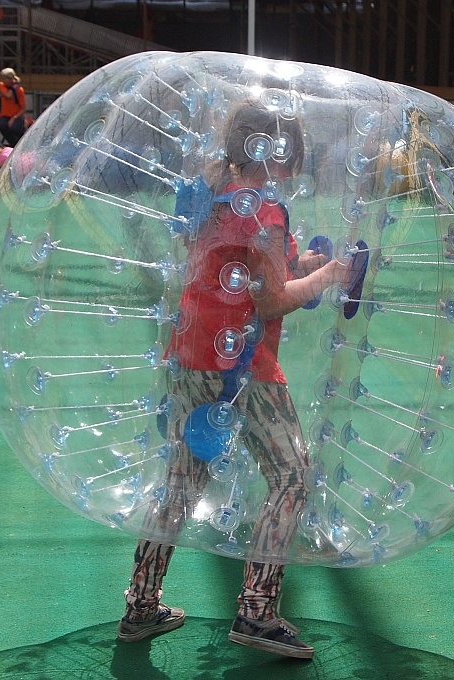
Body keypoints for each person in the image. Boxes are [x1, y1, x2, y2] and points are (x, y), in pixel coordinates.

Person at [117, 100, 348, 658]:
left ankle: (140, 605)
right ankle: (257, 610)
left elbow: (235, 274)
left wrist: (299, 265)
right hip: (242, 367)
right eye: (291, 159)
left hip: (191, 350)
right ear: (275, 156)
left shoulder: (206, 196)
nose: (293, 173)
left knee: (182, 481)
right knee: (292, 476)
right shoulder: (266, 213)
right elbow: (270, 300)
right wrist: (328, 275)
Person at [0, 68, 27, 146]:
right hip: (4, 115)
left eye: (4, 78)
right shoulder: (1, 85)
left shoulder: (19, 90)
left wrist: (14, 118)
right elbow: (8, 95)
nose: (2, 80)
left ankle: (21, 142)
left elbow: (23, 108)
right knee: (2, 126)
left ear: (9, 78)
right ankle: (14, 144)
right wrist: (14, 87)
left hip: (16, 115)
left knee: (14, 128)